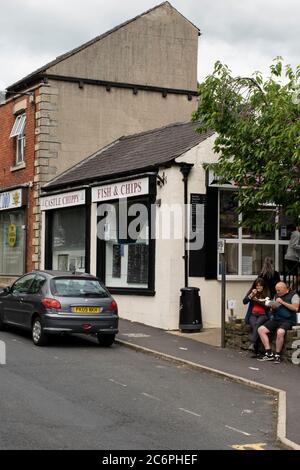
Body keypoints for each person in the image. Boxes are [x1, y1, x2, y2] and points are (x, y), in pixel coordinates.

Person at [257, 282, 300, 363]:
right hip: (276, 319)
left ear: (285, 289)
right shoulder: (276, 296)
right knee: (261, 329)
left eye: (279, 290)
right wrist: (271, 306)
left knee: (280, 332)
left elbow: (295, 308)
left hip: (288, 320)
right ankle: (269, 353)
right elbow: (273, 308)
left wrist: (282, 302)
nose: (277, 292)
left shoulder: (294, 295)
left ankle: (277, 355)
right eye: (276, 290)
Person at [243, 277, 270, 355]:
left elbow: (268, 306)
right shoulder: (252, 292)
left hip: (263, 315)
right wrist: (251, 295)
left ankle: (252, 344)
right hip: (253, 314)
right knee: (255, 326)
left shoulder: (266, 293)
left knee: (257, 324)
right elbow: (244, 301)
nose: (259, 287)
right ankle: (256, 349)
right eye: (257, 286)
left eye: (260, 286)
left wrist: (257, 301)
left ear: (263, 286)